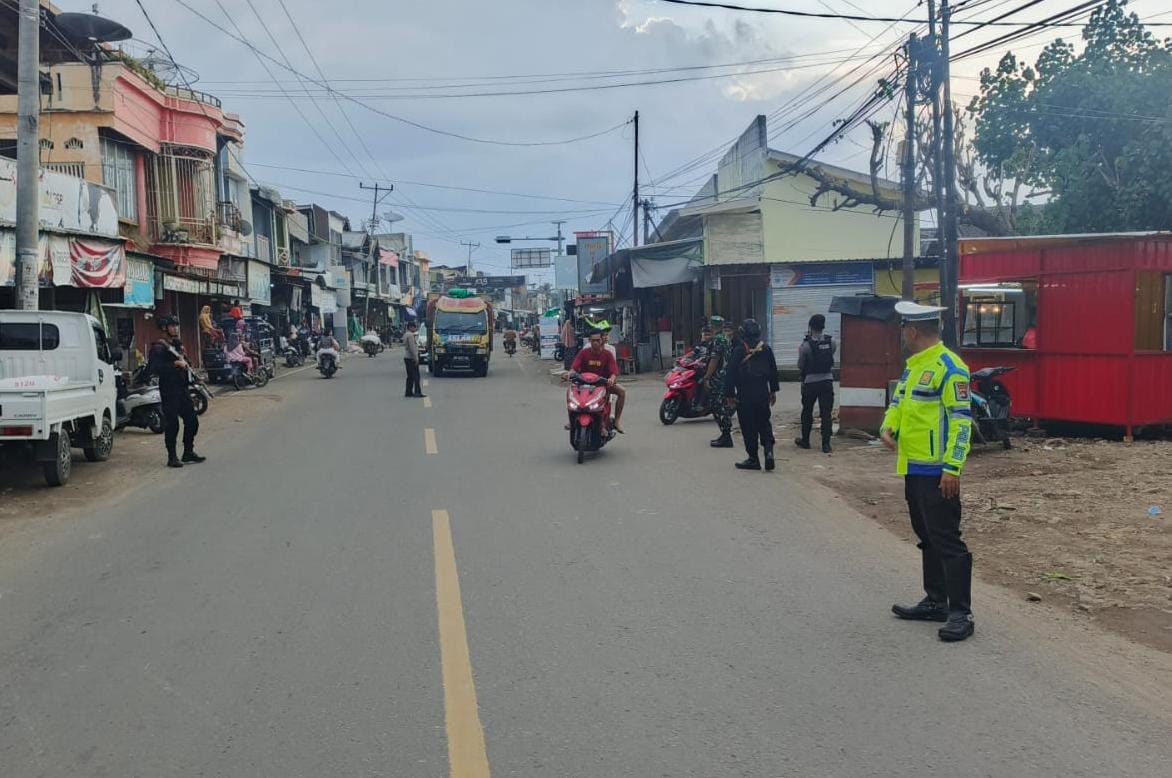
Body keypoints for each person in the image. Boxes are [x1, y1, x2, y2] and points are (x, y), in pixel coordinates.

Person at [881, 301, 975, 642]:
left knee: (947, 539)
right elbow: (899, 402)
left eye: (903, 329)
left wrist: (953, 467)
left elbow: (962, 422)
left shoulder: (950, 368)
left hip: (939, 472)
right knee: (927, 535)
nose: (902, 335)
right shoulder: (914, 367)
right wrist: (888, 426)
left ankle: (961, 612)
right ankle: (935, 600)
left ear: (913, 331)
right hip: (914, 466)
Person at [147, 314, 204, 469]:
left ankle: (188, 451)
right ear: (164, 328)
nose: (176, 328)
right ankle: (172, 457)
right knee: (172, 424)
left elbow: (186, 364)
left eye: (176, 325)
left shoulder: (177, 345)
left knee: (192, 421)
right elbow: (154, 369)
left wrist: (193, 376)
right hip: (169, 390)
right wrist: (175, 365)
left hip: (182, 389)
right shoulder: (158, 348)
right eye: (172, 326)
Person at [723, 318, 779, 471]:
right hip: (762, 393)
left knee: (748, 427)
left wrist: (729, 394)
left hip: (745, 394)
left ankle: (753, 459)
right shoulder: (766, 349)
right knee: (764, 423)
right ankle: (769, 452)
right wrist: (773, 391)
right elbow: (773, 371)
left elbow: (730, 373)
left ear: (742, 334)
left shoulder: (739, 350)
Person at [568, 331, 624, 432]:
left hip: (603, 384)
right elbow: (574, 367)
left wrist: (612, 379)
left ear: (602, 340)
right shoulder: (583, 353)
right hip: (583, 384)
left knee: (622, 391)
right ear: (589, 341)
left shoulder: (608, 354)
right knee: (569, 392)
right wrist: (569, 374)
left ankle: (616, 421)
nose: (595, 343)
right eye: (593, 340)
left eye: (597, 340)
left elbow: (614, 372)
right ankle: (571, 420)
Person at [796, 313, 836, 454]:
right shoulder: (831, 341)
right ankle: (826, 445)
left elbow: (800, 365)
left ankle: (805, 441)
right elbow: (831, 356)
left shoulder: (806, 345)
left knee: (807, 411)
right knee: (826, 413)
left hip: (810, 383)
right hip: (827, 381)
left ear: (811, 327)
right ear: (823, 326)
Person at [707, 317, 736, 449]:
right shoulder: (725, 338)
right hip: (726, 375)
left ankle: (726, 435)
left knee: (717, 405)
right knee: (722, 405)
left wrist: (707, 377)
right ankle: (725, 434)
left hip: (719, 377)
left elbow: (714, 359)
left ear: (712, 326)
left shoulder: (718, 340)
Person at [404, 321, 425, 398]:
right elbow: (412, 348)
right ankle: (417, 392)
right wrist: (416, 358)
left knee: (410, 376)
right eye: (414, 327)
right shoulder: (410, 335)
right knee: (416, 376)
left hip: (407, 357)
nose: (415, 329)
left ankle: (408, 392)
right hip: (411, 358)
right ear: (410, 327)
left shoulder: (406, 334)